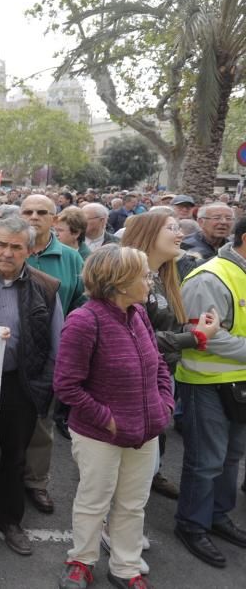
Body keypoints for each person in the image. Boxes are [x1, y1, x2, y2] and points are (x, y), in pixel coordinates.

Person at [54, 245, 174, 589]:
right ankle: (81, 561)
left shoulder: (138, 313)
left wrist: (163, 403)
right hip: (100, 436)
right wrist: (109, 420)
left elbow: (159, 365)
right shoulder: (84, 320)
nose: (149, 281)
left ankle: (126, 567)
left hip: (146, 431)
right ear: (120, 283)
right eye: (143, 275)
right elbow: (66, 386)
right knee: (94, 501)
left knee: (133, 504)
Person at [0, 215, 63, 557]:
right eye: (1, 244)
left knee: (15, 455)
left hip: (20, 382)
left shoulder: (47, 287)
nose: (6, 253)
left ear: (29, 251)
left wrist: (42, 388)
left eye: (16, 247)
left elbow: (55, 343)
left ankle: (9, 520)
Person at [121, 212, 216, 502]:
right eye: (171, 228)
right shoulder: (129, 276)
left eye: (179, 228)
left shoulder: (165, 276)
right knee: (125, 463)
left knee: (150, 447)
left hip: (161, 377)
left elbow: (163, 328)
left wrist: (195, 327)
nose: (180, 234)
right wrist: (195, 337)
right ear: (148, 234)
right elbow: (131, 338)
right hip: (133, 382)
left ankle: (150, 478)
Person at [172, 215, 246, 569]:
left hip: (238, 384)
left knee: (231, 456)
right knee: (206, 461)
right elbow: (202, 336)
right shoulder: (210, 276)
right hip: (207, 384)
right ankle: (192, 524)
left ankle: (217, 515)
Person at [21, 193, 86, 516]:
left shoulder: (72, 260)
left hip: (50, 356)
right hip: (8, 354)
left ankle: (36, 483)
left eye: (42, 212)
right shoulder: (7, 249)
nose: (34, 217)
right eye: (28, 211)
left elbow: (80, 307)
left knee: (41, 424)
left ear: (55, 219)